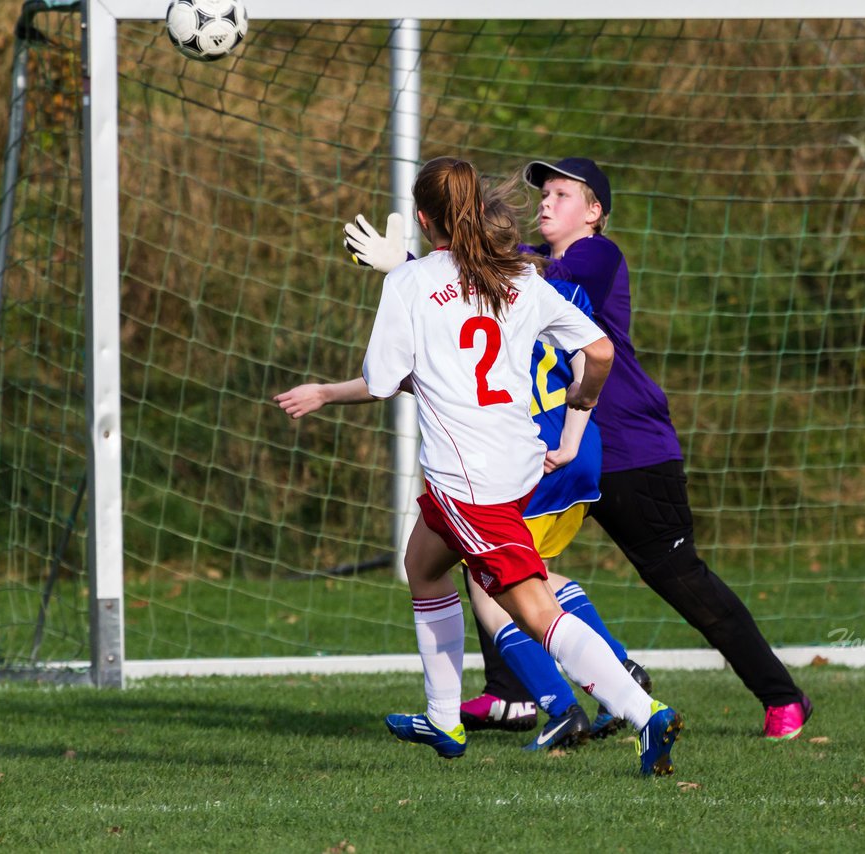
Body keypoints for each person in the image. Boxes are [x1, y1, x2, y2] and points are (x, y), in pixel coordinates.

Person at [274, 156, 681, 776]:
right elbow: (597, 351)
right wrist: (580, 408)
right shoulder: (518, 275)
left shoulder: (410, 284)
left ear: (422, 218)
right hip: (510, 464)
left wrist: (336, 390)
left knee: (535, 609)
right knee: (423, 564)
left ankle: (642, 709)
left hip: (471, 482)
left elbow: (383, 382)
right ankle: (442, 718)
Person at [482, 155, 811, 741]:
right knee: (493, 552)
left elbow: (527, 286)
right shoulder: (527, 268)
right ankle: (519, 694)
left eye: (562, 194)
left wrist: (475, 261)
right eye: (545, 194)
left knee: (679, 577)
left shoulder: (593, 256)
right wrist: (412, 266)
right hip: (563, 450)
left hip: (632, 449)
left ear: (594, 212)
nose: (547, 202)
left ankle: (782, 696)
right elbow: (472, 295)